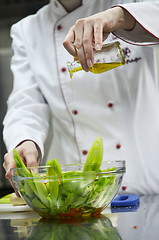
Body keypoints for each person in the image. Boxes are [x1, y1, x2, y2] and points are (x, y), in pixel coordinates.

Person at [2, 0, 159, 194]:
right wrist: (24, 141)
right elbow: (26, 105)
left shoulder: (133, 3)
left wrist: (119, 16)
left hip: (149, 189)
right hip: (79, 195)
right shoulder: (27, 31)